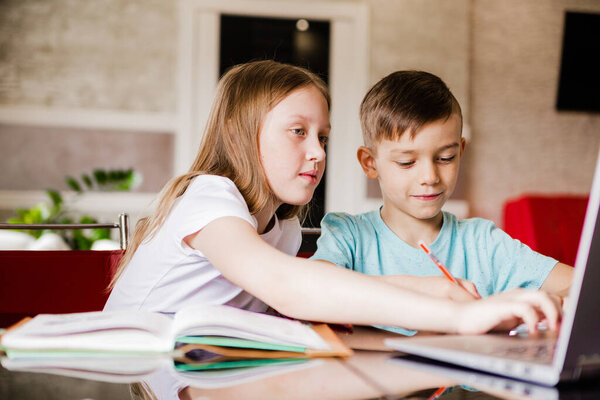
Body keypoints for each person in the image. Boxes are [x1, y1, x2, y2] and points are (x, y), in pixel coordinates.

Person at [105, 60, 561, 336]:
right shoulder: (208, 197)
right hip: (116, 373)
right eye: (298, 132)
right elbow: (289, 288)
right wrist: (460, 318)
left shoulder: (280, 231)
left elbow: (323, 285)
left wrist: (437, 289)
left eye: (323, 136)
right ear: (238, 133)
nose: (318, 152)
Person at [311, 70, 572, 335]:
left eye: (445, 158)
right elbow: (312, 289)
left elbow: (578, 285)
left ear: (460, 151)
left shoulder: (483, 243)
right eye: (407, 162)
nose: (430, 177)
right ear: (370, 163)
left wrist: (552, 304)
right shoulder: (349, 235)